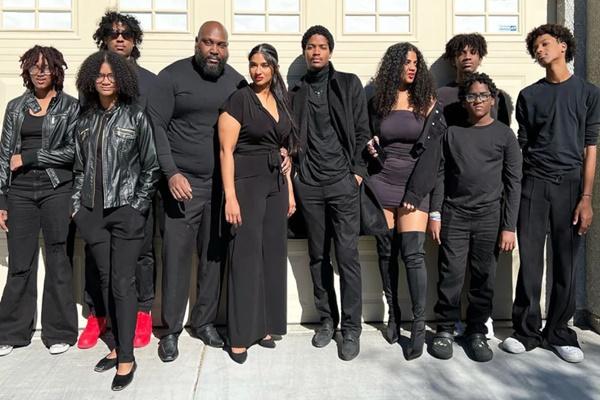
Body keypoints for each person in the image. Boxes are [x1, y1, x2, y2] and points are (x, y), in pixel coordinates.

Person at [501, 24, 600, 363]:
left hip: (571, 185)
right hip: (534, 184)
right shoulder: (529, 95)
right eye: (535, 48)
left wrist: (586, 198)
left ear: (562, 45)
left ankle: (559, 332)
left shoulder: (588, 93)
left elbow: (590, 148)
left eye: (544, 44)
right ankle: (526, 331)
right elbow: (523, 146)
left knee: (565, 262)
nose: (539, 51)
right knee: (530, 261)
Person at [154, 21, 246, 362]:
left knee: (212, 257)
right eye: (208, 43)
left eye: (220, 45)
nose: (214, 50)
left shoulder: (237, 81)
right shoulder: (172, 77)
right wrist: (171, 173)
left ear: (227, 48)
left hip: (220, 187)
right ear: (197, 43)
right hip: (182, 186)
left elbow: (252, 127)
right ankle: (171, 331)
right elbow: (155, 127)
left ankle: (204, 322)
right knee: (176, 259)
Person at [76, 10, 164, 350]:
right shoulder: (93, 79)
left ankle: (142, 313)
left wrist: (140, 200)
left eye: (126, 33)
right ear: (104, 38)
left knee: (142, 253)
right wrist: (77, 204)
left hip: (134, 191)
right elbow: (82, 143)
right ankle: (98, 315)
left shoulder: (150, 82)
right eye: (113, 33)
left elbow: (156, 139)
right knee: (97, 258)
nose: (120, 38)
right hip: (97, 194)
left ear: (135, 39)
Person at [428, 73, 522, 362]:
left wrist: (509, 226)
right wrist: (435, 213)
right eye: (471, 96)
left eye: (483, 95)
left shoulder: (504, 135)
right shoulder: (453, 133)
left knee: (483, 277)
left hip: (489, 217)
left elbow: (513, 183)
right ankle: (445, 328)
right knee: (451, 275)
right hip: (454, 215)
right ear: (464, 101)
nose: (477, 100)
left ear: (493, 100)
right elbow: (440, 175)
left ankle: (477, 331)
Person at [289, 25, 369, 361]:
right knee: (318, 256)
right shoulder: (296, 91)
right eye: (311, 46)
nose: (316, 52)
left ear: (330, 51)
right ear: (305, 51)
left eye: (322, 46)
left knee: (347, 256)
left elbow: (363, 130)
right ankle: (326, 320)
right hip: (309, 184)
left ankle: (351, 328)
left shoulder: (348, 84)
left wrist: (357, 174)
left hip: (342, 183)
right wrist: (295, 174)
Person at [218, 43, 297, 363]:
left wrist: (289, 190)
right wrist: (230, 197)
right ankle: (239, 336)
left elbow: (283, 149)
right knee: (245, 257)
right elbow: (225, 151)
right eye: (253, 64)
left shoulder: (281, 99)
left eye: (264, 65)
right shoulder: (239, 99)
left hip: (275, 184)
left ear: (274, 67)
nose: (257, 70)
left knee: (271, 255)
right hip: (246, 183)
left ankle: (265, 325)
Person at [366, 42, 444, 360]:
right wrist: (371, 147)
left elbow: (434, 154)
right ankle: (394, 315)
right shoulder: (378, 102)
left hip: (415, 185)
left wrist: (415, 193)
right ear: (393, 65)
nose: (412, 67)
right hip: (382, 182)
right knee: (387, 253)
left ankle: (419, 325)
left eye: (415, 63)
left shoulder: (427, 100)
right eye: (406, 62)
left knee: (412, 255)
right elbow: (367, 137)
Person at [0, 46, 79, 357]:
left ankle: (59, 332)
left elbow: (74, 152)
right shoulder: (15, 107)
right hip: (20, 192)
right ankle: (11, 332)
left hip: (56, 188)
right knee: (20, 262)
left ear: (56, 70)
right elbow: (5, 155)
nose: (40, 72)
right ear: (27, 71)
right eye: (34, 67)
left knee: (58, 258)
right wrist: (2, 199)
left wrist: (32, 156)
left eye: (46, 67)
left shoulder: (71, 107)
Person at [437, 33, 510, 127]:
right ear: (453, 60)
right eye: (462, 53)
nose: (467, 57)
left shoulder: (495, 95)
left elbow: (503, 129)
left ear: (480, 59)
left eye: (473, 52)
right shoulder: (441, 95)